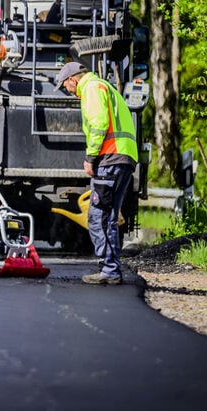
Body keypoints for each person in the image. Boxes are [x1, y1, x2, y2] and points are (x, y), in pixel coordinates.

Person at [54, 61, 138, 284]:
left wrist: (90, 157)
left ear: (73, 79)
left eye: (65, 86)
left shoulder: (91, 88)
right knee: (109, 217)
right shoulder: (104, 86)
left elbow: (99, 124)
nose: (67, 91)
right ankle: (112, 269)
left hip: (110, 157)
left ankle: (109, 270)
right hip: (123, 157)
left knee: (98, 216)